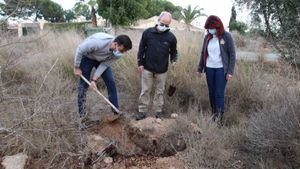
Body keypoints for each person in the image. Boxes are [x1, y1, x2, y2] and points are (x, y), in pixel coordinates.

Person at [74, 32, 132, 126]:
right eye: (121, 50)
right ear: (115, 44)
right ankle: (82, 116)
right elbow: (80, 49)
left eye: (124, 51)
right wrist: (76, 67)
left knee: (111, 83)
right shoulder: (98, 42)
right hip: (87, 57)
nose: (122, 53)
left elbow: (104, 65)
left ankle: (116, 113)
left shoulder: (117, 54)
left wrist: (94, 80)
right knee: (83, 86)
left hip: (102, 61)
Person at [135, 11, 178, 120]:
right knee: (145, 90)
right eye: (162, 24)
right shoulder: (147, 33)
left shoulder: (171, 37)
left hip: (162, 70)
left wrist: (174, 60)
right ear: (158, 21)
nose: (164, 26)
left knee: (159, 91)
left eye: (167, 25)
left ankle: (158, 112)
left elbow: (174, 52)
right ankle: (142, 111)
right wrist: (140, 64)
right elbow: (141, 50)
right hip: (147, 68)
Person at [197, 15, 236, 126]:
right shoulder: (208, 37)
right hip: (209, 68)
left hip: (221, 69)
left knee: (219, 93)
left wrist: (230, 71)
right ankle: (214, 115)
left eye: (212, 27)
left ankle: (220, 120)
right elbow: (202, 53)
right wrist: (200, 68)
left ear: (218, 27)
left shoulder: (226, 36)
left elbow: (232, 55)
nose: (210, 30)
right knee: (211, 93)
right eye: (208, 28)